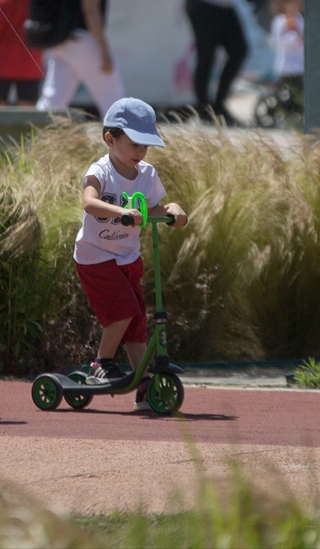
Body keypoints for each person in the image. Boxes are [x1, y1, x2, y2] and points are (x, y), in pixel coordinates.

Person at [73, 98, 187, 410]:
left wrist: (172, 209)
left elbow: (155, 208)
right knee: (122, 311)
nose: (140, 152)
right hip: (95, 256)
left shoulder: (147, 174)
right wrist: (121, 212)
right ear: (110, 139)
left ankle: (143, 378)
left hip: (127, 257)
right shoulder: (101, 170)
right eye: (134, 144)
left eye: (145, 146)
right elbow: (89, 202)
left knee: (136, 318)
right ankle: (101, 363)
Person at [269, 0, 304, 102]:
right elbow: (277, 42)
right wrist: (294, 37)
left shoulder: (299, 19)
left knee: (299, 93)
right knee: (283, 95)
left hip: (300, 65)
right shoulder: (280, 21)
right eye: (293, 2)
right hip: (286, 66)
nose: (297, 6)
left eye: (299, 2)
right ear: (283, 3)